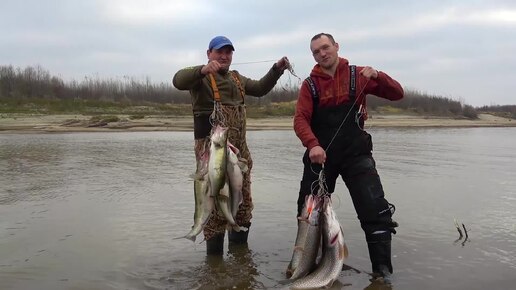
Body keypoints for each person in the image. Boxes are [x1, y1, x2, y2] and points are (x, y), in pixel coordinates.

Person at [293, 33, 404, 282]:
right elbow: (300, 119)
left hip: (356, 155)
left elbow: (397, 93)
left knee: (375, 211)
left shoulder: (360, 74)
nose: (322, 54)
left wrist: (379, 76)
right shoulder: (309, 85)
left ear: (336, 47)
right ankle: (308, 267)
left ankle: (382, 273)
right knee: (307, 213)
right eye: (316, 52)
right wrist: (312, 145)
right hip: (320, 157)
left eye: (325, 48)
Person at [173, 35, 290, 255]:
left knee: (242, 201)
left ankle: (240, 256)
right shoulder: (201, 78)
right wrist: (203, 70)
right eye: (219, 52)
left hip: (239, 150)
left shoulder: (237, 78)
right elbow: (178, 80)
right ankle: (214, 260)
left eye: (228, 52)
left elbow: (260, 88)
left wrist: (277, 69)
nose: (224, 56)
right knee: (213, 201)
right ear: (209, 53)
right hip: (212, 150)